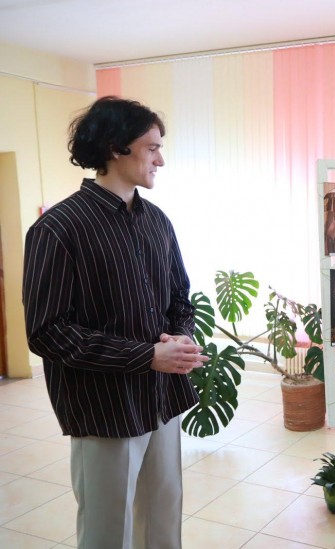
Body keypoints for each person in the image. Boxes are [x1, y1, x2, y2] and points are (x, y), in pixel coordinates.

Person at [21, 96, 208, 549]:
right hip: (104, 407)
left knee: (163, 520)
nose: (161, 160)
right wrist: (147, 356)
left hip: (161, 398)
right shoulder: (58, 229)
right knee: (108, 532)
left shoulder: (157, 221)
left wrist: (180, 339)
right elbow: (47, 331)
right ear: (114, 147)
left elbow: (180, 298)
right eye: (152, 148)